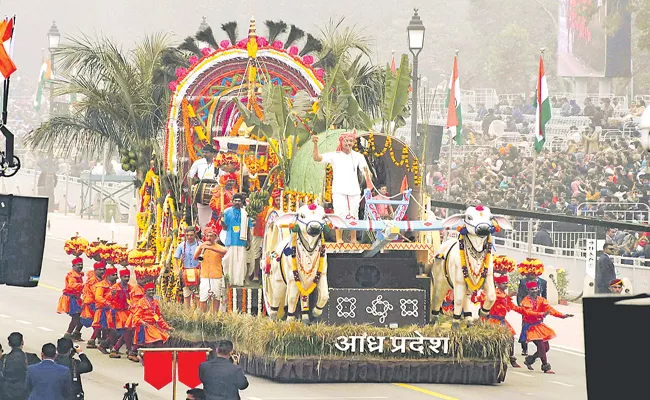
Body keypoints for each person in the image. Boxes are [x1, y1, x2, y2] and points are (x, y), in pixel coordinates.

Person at [312, 130, 370, 243]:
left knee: (354, 213)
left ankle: (353, 239)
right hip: (339, 190)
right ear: (341, 141)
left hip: (354, 190)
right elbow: (317, 158)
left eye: (351, 141)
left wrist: (368, 173)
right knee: (340, 213)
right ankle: (339, 238)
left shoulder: (358, 156)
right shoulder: (335, 155)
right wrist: (315, 144)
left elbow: (364, 168)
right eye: (346, 141)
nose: (348, 143)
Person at [520, 281, 574, 374]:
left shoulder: (541, 300)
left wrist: (562, 315)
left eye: (536, 289)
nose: (534, 291)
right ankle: (546, 366)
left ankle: (530, 360)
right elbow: (528, 313)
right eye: (532, 289)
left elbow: (550, 310)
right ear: (528, 290)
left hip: (539, 325)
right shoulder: (525, 301)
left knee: (546, 348)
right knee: (541, 344)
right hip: (530, 327)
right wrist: (541, 314)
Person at [476, 275, 523, 368]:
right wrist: (508, 296)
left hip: (502, 320)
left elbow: (513, 307)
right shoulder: (493, 293)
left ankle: (511, 358)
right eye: (503, 283)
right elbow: (493, 298)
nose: (506, 285)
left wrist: (525, 311)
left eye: (506, 283)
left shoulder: (504, 295)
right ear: (497, 284)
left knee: (511, 338)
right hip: (492, 320)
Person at [246, 190, 281, 283]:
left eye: (279, 200)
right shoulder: (255, 208)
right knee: (256, 254)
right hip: (257, 233)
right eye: (276, 200)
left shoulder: (272, 210)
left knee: (268, 253)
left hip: (269, 234)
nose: (278, 202)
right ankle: (256, 275)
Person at [194, 227, 227, 313]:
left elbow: (224, 251)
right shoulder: (201, 246)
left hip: (216, 277)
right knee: (203, 298)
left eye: (211, 236)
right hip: (204, 277)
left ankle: (214, 316)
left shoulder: (219, 247)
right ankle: (203, 317)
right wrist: (202, 247)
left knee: (216, 298)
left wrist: (210, 248)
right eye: (207, 236)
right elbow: (195, 257)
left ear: (215, 237)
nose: (209, 238)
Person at [131, 283, 173, 350]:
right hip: (145, 327)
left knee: (159, 341)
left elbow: (158, 317)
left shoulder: (155, 302)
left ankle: (156, 357)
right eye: (149, 290)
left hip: (152, 327)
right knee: (158, 340)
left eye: (152, 290)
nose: (151, 292)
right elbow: (136, 317)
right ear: (145, 292)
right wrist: (142, 322)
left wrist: (167, 327)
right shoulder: (141, 302)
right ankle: (133, 353)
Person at [1, 333, 40, 400]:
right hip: (24, 394)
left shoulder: (3, 358)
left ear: (9, 344)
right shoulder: (31, 358)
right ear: (22, 342)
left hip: (6, 395)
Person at [189, 144, 219, 230]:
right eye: (204, 152)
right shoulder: (198, 162)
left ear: (213, 153)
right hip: (201, 191)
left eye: (207, 152)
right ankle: (203, 233)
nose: (205, 154)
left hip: (215, 192)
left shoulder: (218, 163)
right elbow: (189, 176)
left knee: (215, 216)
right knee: (202, 217)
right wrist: (191, 189)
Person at [221, 193, 249, 286]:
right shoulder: (226, 212)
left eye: (239, 200)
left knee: (241, 262)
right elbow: (225, 228)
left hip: (241, 241)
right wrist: (222, 222)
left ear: (242, 202)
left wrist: (248, 240)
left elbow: (249, 227)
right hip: (230, 240)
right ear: (232, 201)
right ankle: (229, 281)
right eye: (235, 200)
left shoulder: (246, 213)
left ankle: (239, 281)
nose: (237, 202)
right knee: (228, 261)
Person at [517, 273, 547, 356]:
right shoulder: (523, 282)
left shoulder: (543, 282)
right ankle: (524, 348)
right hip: (527, 308)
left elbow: (544, 296)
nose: (532, 274)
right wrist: (521, 305)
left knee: (539, 328)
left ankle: (540, 348)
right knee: (526, 328)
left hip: (539, 309)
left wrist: (545, 308)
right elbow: (519, 295)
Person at [91, 266, 118, 355]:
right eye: (113, 275)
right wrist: (107, 302)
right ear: (108, 276)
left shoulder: (113, 285)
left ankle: (109, 346)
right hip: (103, 310)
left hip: (111, 310)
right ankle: (103, 345)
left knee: (110, 330)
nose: (116, 277)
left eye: (116, 275)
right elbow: (98, 297)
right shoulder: (101, 285)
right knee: (108, 329)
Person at [57, 258, 85, 341]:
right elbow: (72, 285)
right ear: (73, 266)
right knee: (76, 317)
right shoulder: (71, 275)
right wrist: (83, 285)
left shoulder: (79, 274)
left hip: (76, 298)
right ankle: (67, 334)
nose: (80, 266)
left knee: (83, 315)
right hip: (70, 299)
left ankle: (76, 333)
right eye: (78, 264)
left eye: (81, 264)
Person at [175, 226, 202, 309]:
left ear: (195, 235)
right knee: (186, 294)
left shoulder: (200, 245)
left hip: (198, 271)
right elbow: (176, 257)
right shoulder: (181, 246)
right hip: (186, 272)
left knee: (198, 294)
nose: (189, 237)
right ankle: (187, 313)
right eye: (187, 235)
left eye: (191, 235)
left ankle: (199, 314)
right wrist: (177, 269)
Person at [109, 269, 133, 359]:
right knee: (126, 331)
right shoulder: (115, 287)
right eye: (124, 277)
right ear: (120, 277)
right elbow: (109, 299)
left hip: (127, 312)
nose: (126, 278)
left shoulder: (131, 288)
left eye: (128, 277)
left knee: (127, 331)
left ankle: (116, 349)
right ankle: (128, 349)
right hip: (118, 313)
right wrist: (112, 295)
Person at [81, 261, 106, 347]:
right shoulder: (92, 281)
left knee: (98, 322)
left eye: (103, 270)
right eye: (100, 270)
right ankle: (92, 340)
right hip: (93, 304)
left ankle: (97, 338)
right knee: (99, 322)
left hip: (97, 303)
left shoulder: (101, 279)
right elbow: (96, 294)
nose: (102, 271)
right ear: (95, 270)